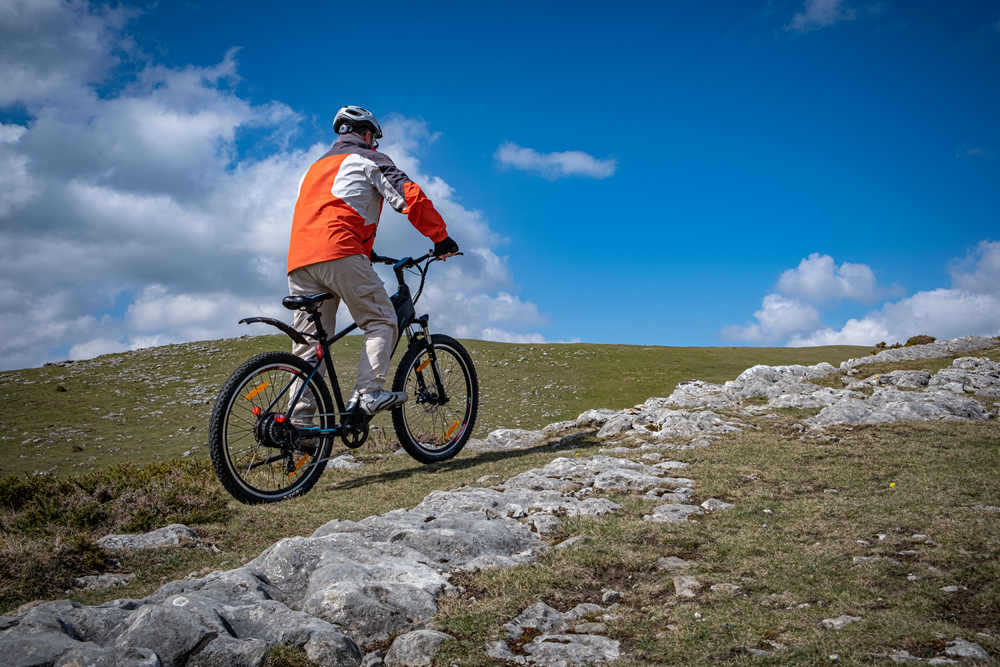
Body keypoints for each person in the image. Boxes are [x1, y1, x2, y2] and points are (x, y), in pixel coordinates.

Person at [286, 105, 459, 422]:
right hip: (339, 252)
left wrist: (368, 251)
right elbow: (410, 196)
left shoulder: (312, 169)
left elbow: (332, 210)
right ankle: (368, 394)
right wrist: (441, 238)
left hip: (299, 261)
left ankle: (298, 424)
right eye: (374, 139)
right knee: (382, 319)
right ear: (367, 134)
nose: (375, 145)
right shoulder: (367, 157)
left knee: (310, 347)